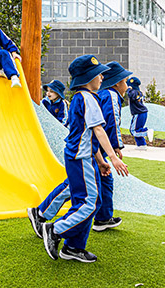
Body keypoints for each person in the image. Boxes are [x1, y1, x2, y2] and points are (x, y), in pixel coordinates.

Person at [30, 55, 129, 264]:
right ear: (88, 77)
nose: (102, 77)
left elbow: (87, 134)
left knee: (89, 199)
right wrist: (113, 157)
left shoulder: (79, 98)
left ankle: (73, 247)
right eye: (98, 74)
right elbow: (99, 130)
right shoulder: (88, 98)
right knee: (88, 203)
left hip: (81, 156)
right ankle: (55, 229)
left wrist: (100, 160)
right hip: (80, 157)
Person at [93, 61, 131, 232]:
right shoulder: (111, 95)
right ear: (117, 82)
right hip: (94, 146)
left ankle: (103, 218)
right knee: (80, 184)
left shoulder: (104, 94)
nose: (127, 85)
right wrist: (117, 146)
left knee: (104, 178)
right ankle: (42, 212)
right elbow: (112, 121)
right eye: (125, 81)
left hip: (98, 146)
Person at [126, 77, 149, 149]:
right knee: (138, 128)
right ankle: (142, 145)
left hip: (138, 113)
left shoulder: (134, 92)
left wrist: (128, 89)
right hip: (142, 113)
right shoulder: (139, 92)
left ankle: (147, 132)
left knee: (133, 130)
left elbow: (130, 95)